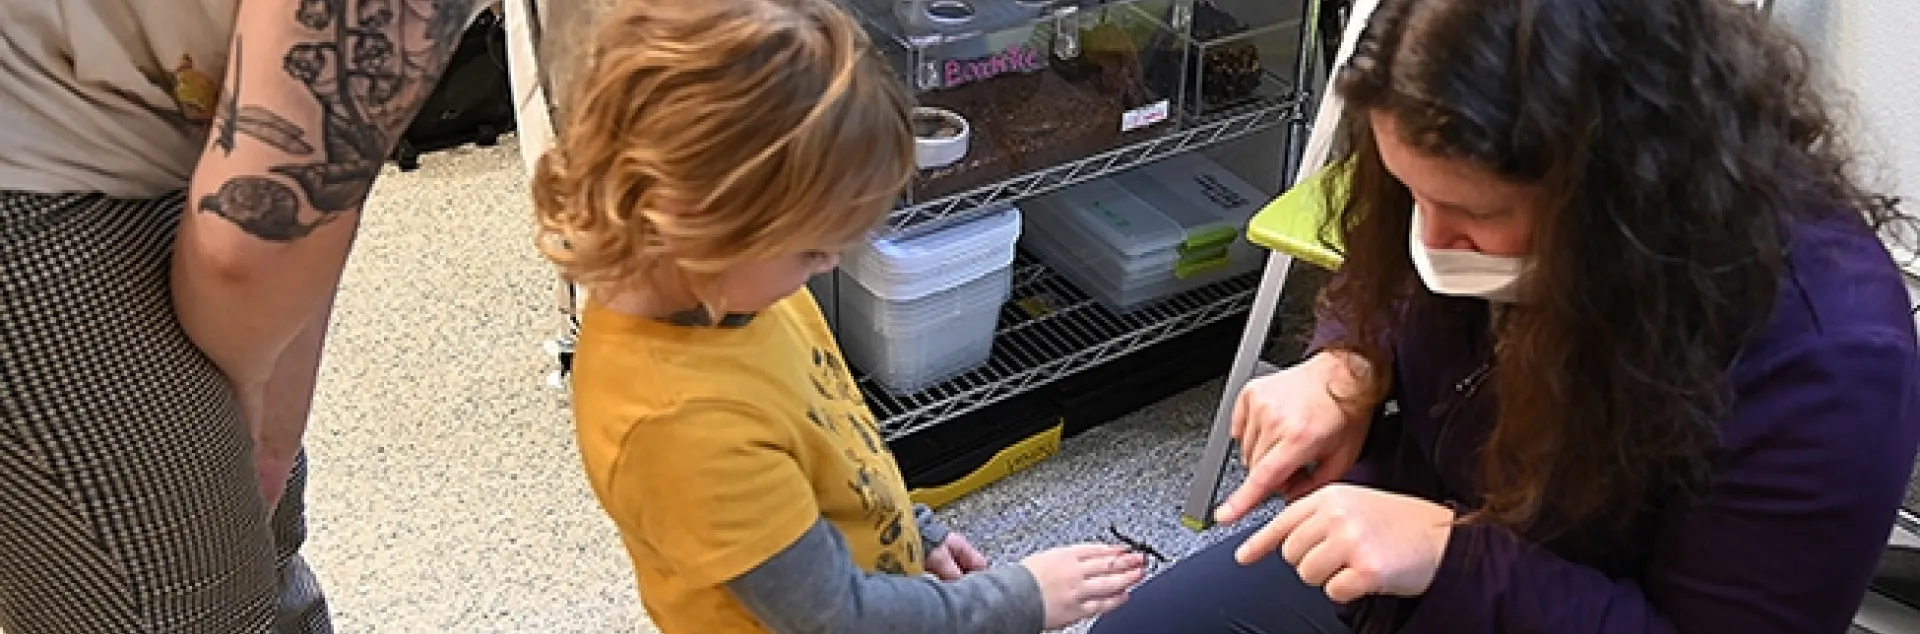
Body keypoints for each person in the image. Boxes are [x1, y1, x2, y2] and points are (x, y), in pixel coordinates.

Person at [1090, 0, 1920, 632]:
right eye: (1410, 194)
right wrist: (1348, 361)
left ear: (1620, 193)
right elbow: (1390, 269)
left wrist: (1451, 556)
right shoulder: (1447, 160)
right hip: (1418, 553)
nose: (1429, 237)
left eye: (1468, 215)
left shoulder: (1828, 357)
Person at [527, 0, 1148, 632]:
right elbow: (840, 619)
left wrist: (917, 528)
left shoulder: (741, 289)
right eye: (814, 247)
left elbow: (835, 437)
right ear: (699, 221)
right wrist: (1021, 601)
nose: (827, 265)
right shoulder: (679, 424)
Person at [0, 1, 487, 632]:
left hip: (127, 116)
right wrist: (243, 395)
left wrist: (269, 429)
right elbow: (252, 250)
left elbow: (322, 169)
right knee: (184, 595)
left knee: (254, 548)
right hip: (32, 158)